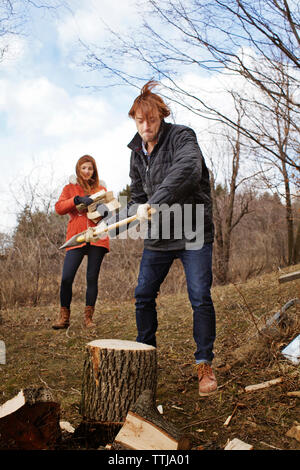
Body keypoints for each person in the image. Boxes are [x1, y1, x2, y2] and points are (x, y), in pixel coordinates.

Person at [99, 80, 217, 396]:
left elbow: (188, 170)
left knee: (199, 295)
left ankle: (204, 363)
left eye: (151, 120)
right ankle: (145, 356)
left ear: (161, 116)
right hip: (159, 234)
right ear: (134, 120)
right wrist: (109, 221)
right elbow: (137, 197)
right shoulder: (136, 153)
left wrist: (155, 202)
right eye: (140, 121)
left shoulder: (182, 137)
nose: (146, 126)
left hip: (192, 228)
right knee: (143, 294)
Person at [52, 155, 109, 330]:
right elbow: (59, 208)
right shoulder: (70, 188)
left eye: (90, 168)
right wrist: (76, 200)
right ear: (78, 169)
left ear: (94, 170)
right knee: (67, 278)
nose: (87, 171)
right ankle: (64, 317)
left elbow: (109, 211)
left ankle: (88, 319)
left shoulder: (100, 188)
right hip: (76, 237)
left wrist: (105, 211)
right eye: (84, 168)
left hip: (98, 236)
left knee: (92, 278)